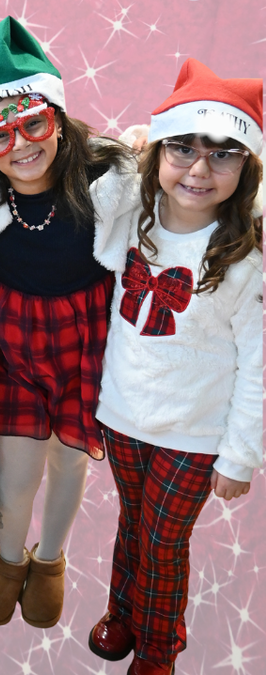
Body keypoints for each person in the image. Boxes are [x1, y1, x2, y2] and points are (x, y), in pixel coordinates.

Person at [0, 16, 134, 629]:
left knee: (69, 455)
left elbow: (190, 183)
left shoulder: (112, 177)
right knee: (16, 460)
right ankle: (9, 558)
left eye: (33, 123)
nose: (21, 146)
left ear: (56, 117)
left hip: (87, 329)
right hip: (10, 331)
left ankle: (50, 560)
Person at [88, 59, 263, 675]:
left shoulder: (244, 259)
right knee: (131, 523)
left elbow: (259, 366)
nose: (198, 169)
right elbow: (93, 208)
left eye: (223, 155)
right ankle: (123, 611)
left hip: (194, 433)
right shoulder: (130, 224)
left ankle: (159, 649)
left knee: (165, 543)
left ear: (246, 169)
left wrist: (240, 455)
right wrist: (132, 150)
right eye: (182, 149)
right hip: (124, 414)